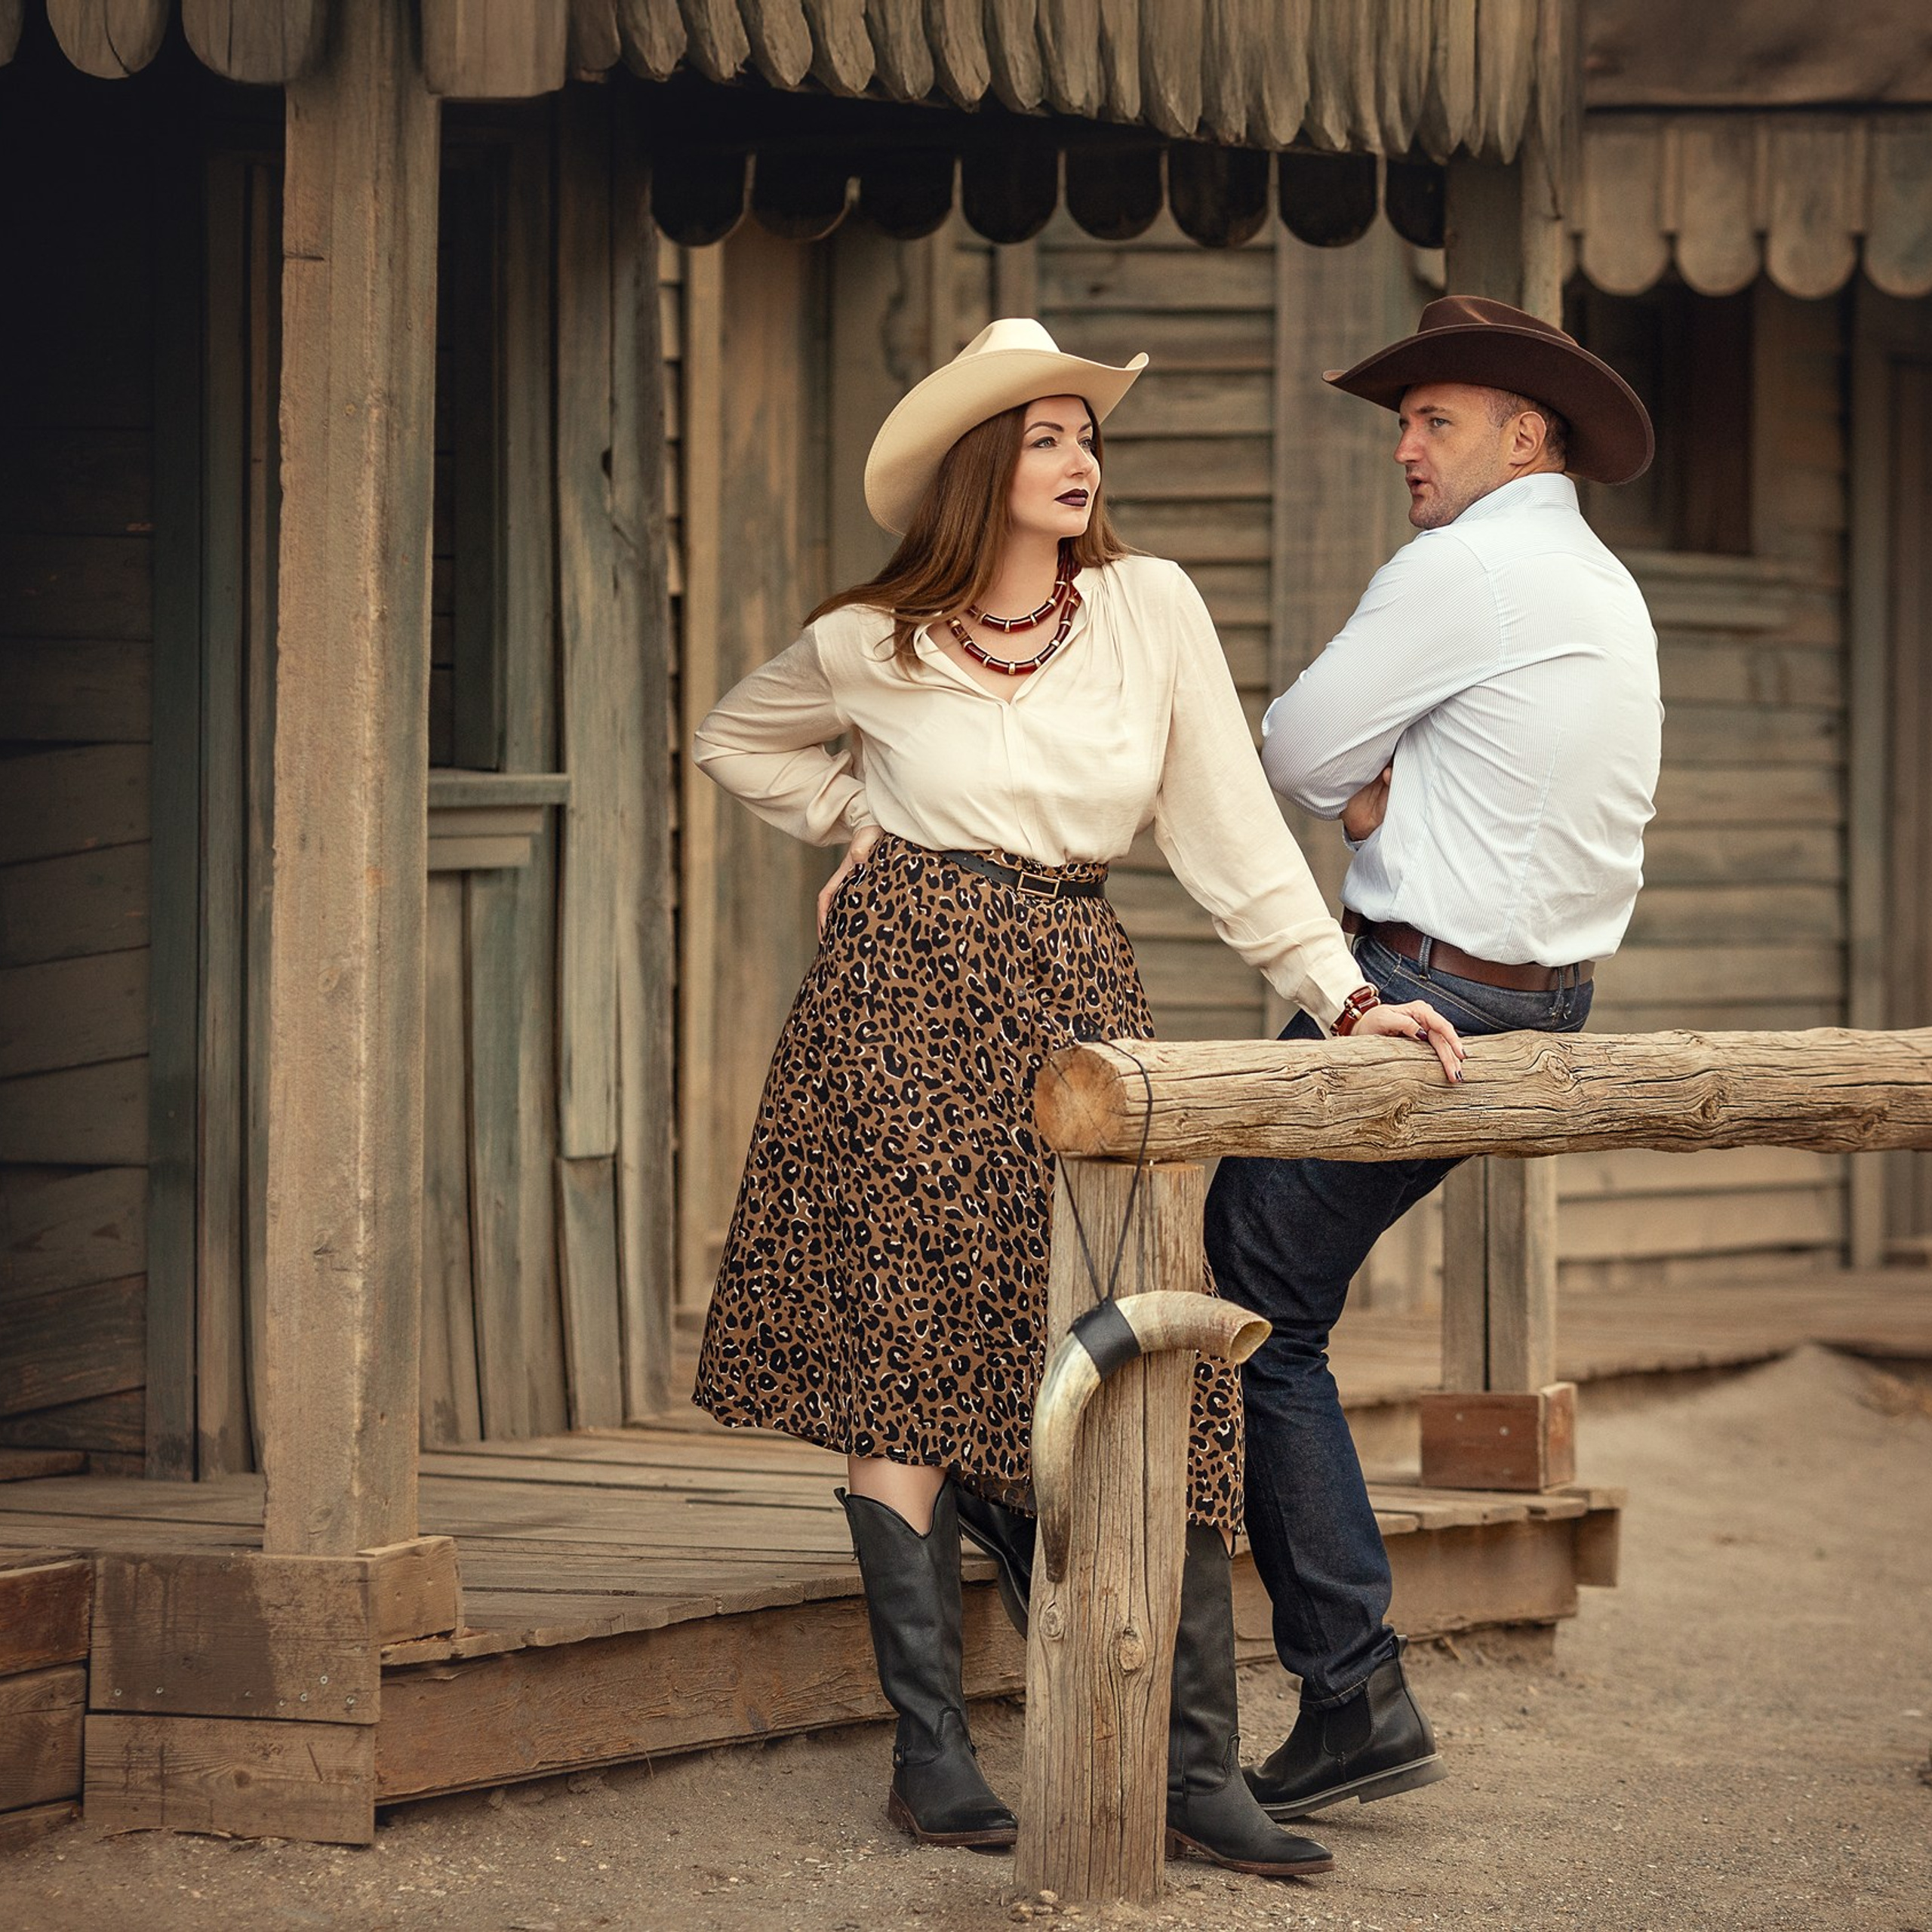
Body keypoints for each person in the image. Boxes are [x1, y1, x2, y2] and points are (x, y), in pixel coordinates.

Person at [689, 318, 1465, 1880]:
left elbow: (1228, 830)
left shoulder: (1146, 605)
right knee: (903, 1366)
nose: (1076, 455)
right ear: (984, 465)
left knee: (1142, 1354)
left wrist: (1346, 995)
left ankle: (1191, 1768)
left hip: (1075, 1003)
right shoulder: (869, 640)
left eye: (1081, 433)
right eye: (1043, 433)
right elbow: (734, 738)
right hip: (893, 999)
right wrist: (868, 819)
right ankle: (930, 1758)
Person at [1204, 295, 1663, 1823]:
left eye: (1434, 419)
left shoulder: (1461, 563)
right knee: (1262, 1289)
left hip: (1423, 997)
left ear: (1523, 431)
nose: (1401, 447)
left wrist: (1369, 791)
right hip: (1537, 999)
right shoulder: (1592, 574)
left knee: (1248, 1307)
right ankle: (1332, 1676)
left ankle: (1347, 1690)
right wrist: (1386, 788)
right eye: (1400, 422)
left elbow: (1289, 753)